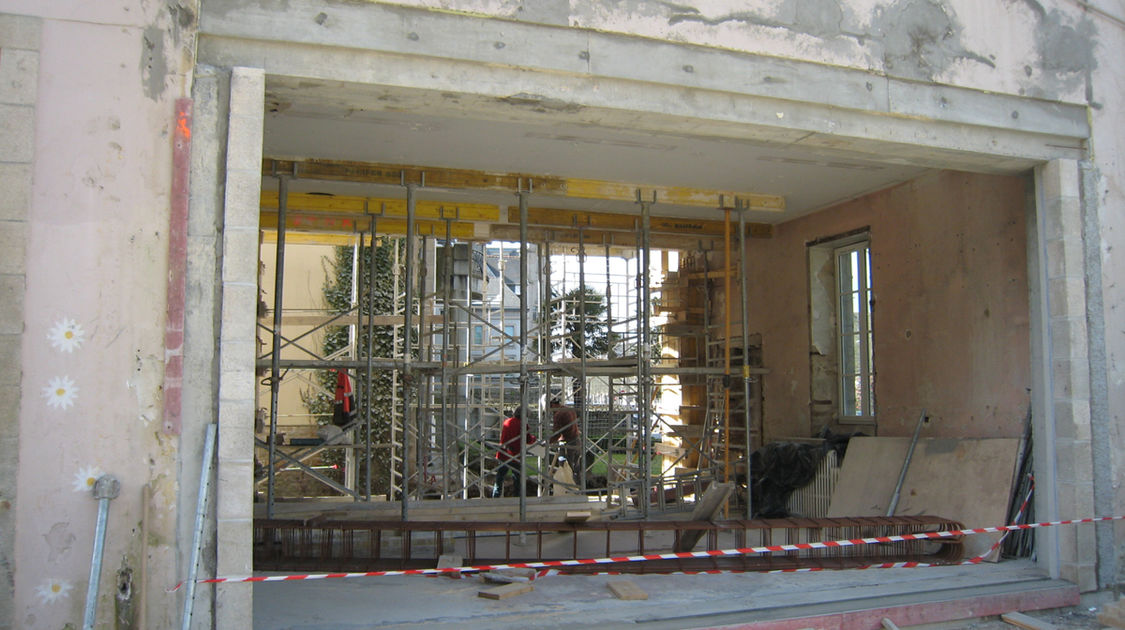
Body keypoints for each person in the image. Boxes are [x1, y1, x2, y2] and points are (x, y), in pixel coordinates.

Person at [492, 407, 536, 498]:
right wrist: (534, 439)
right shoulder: (523, 424)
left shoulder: (507, 422)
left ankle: (495, 497)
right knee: (517, 480)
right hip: (515, 455)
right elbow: (528, 439)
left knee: (499, 479)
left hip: (503, 454)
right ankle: (517, 499)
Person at [550, 398, 588, 486]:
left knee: (565, 468)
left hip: (567, 443)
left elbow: (557, 433)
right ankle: (578, 489)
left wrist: (548, 442)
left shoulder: (558, 414)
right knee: (576, 468)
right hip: (576, 441)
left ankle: (568, 489)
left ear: (552, 405)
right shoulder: (569, 409)